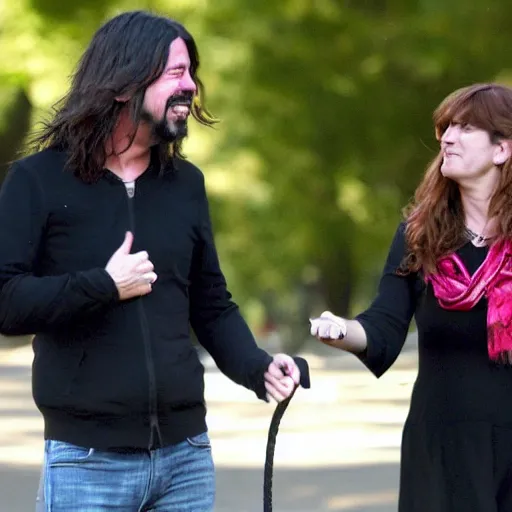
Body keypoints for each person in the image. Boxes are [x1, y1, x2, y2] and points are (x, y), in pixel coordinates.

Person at [0, 11, 310, 512]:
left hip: (185, 459)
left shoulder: (185, 185)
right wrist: (103, 284)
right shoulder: (38, 182)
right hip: (85, 462)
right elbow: (6, 302)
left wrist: (258, 368)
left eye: (191, 72)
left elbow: (210, 304)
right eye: (175, 73)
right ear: (124, 84)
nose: (190, 86)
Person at [310, 83, 512, 511]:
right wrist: (341, 329)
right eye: (446, 128)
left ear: (502, 150)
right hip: (439, 448)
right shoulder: (420, 237)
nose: (448, 138)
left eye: (466, 128)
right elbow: (383, 328)